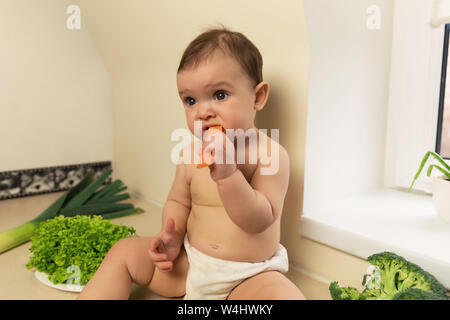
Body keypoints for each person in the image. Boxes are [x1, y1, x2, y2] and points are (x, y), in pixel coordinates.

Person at [78, 25, 305, 300]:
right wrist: (171, 234)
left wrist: (228, 176)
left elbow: (259, 220)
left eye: (220, 95)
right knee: (123, 252)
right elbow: (178, 202)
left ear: (257, 97)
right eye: (190, 100)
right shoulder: (189, 154)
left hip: (249, 276)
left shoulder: (270, 155)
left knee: (283, 296)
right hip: (191, 264)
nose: (202, 112)